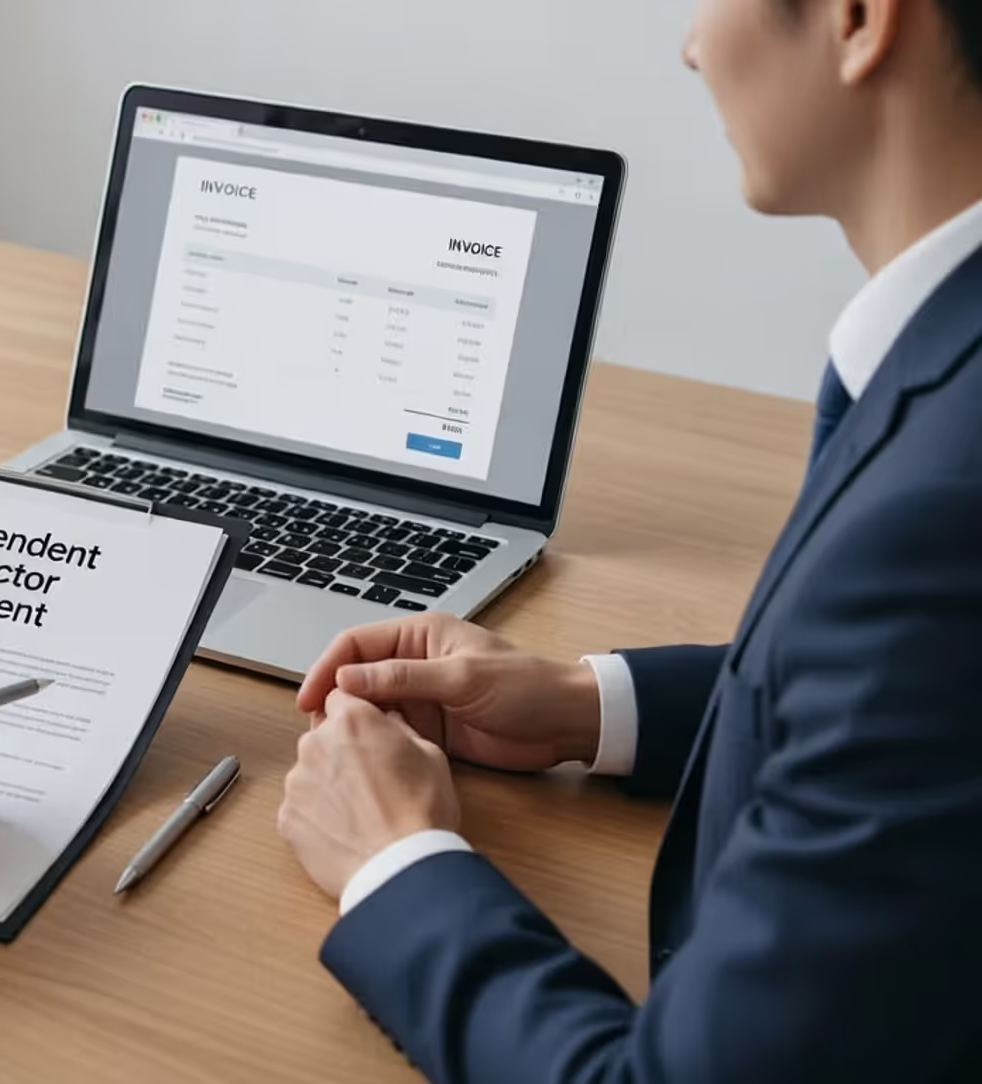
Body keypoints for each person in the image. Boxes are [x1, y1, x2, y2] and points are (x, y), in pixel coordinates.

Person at [276, 0, 982, 1079]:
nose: (692, 44)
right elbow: (921, 707)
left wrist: (395, 857)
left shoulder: (936, 522)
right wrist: (588, 706)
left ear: (857, 18)